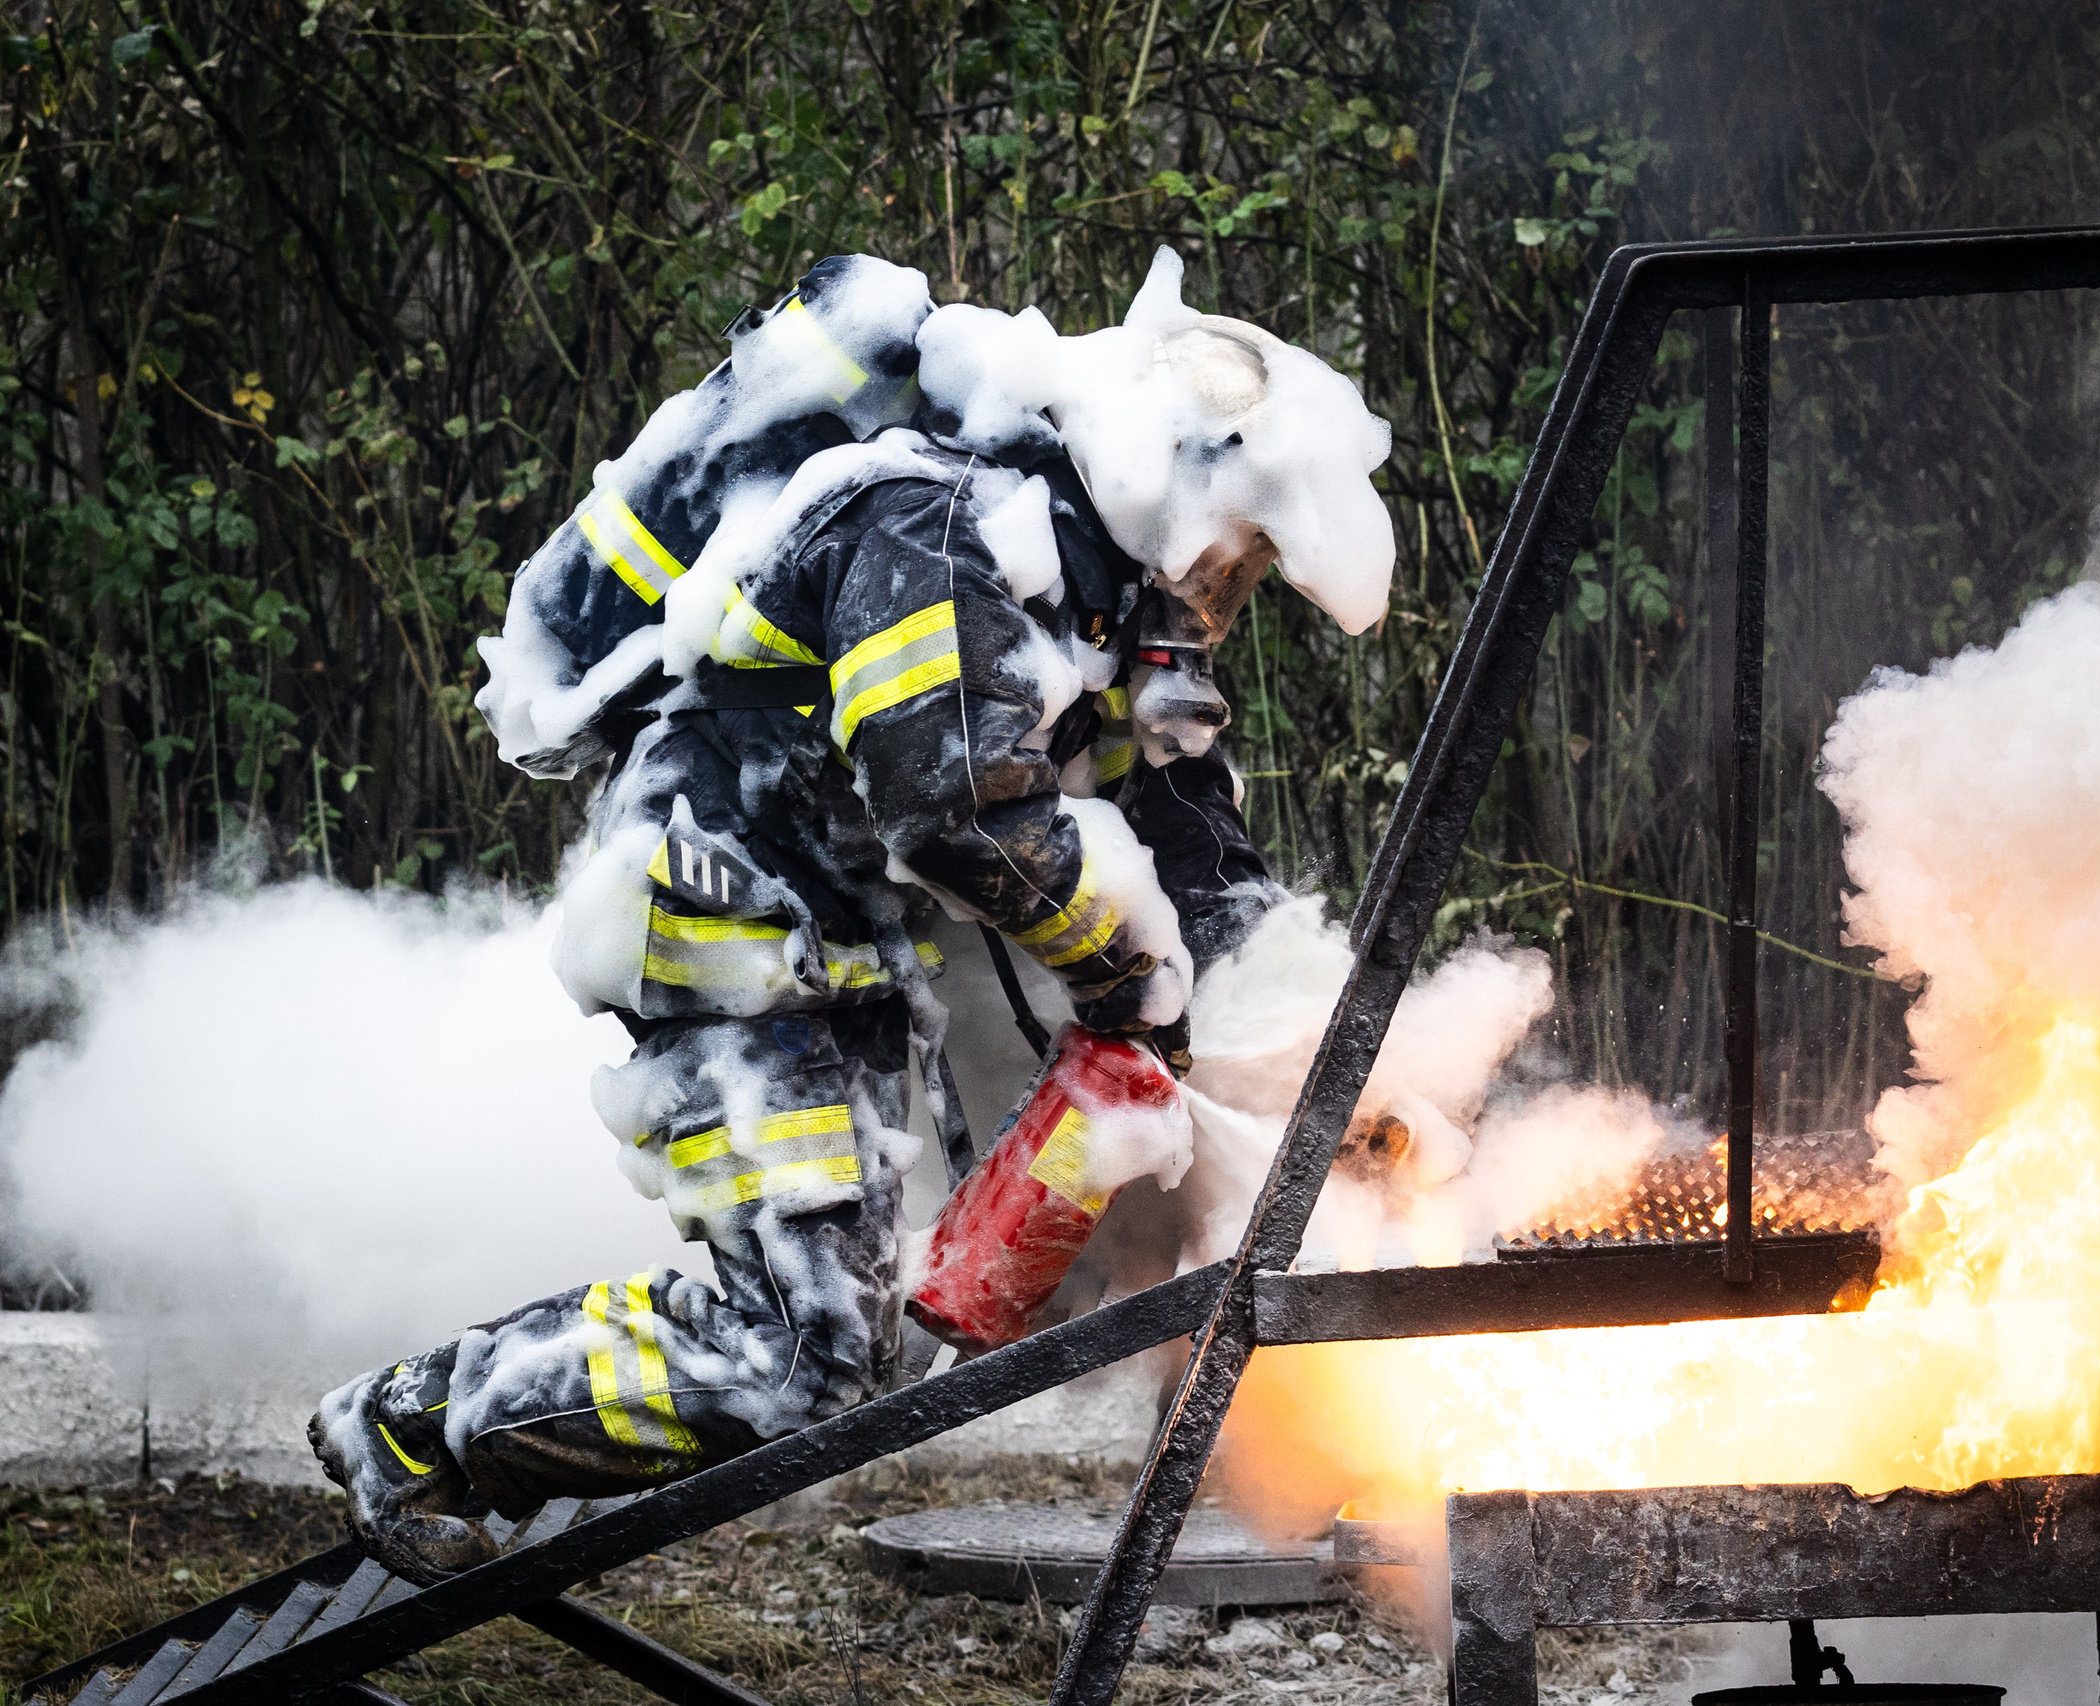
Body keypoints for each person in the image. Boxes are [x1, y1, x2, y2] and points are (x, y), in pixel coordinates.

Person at [306, 249, 1395, 1584]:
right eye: (1238, 553)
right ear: (1172, 476)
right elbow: (952, 807)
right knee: (801, 1357)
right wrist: (1129, 973)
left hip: (839, 962)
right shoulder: (931, 526)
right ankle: (411, 1418)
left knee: (844, 1357)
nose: (1226, 594)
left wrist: (1318, 1044)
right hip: (725, 926)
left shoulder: (1088, 597)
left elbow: (1187, 832)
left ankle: (435, 1419)